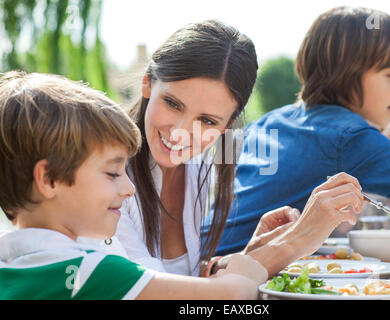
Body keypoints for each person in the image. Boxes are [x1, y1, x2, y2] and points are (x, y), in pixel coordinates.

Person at [112, 19, 364, 278]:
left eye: (207, 120)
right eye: (172, 104)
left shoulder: (196, 165)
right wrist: (297, 240)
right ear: (147, 83)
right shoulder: (105, 171)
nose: (180, 133)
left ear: (226, 126)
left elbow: (183, 278)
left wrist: (251, 254)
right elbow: (147, 289)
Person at [0, 71, 268, 299]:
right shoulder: (95, 271)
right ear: (48, 180)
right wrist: (246, 272)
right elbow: (232, 294)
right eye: (113, 173)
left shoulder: (9, 263)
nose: (129, 188)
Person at [208, 6, 390, 256]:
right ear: (347, 76)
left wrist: (386, 142)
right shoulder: (349, 135)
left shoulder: (272, 121)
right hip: (231, 279)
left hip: (202, 259)